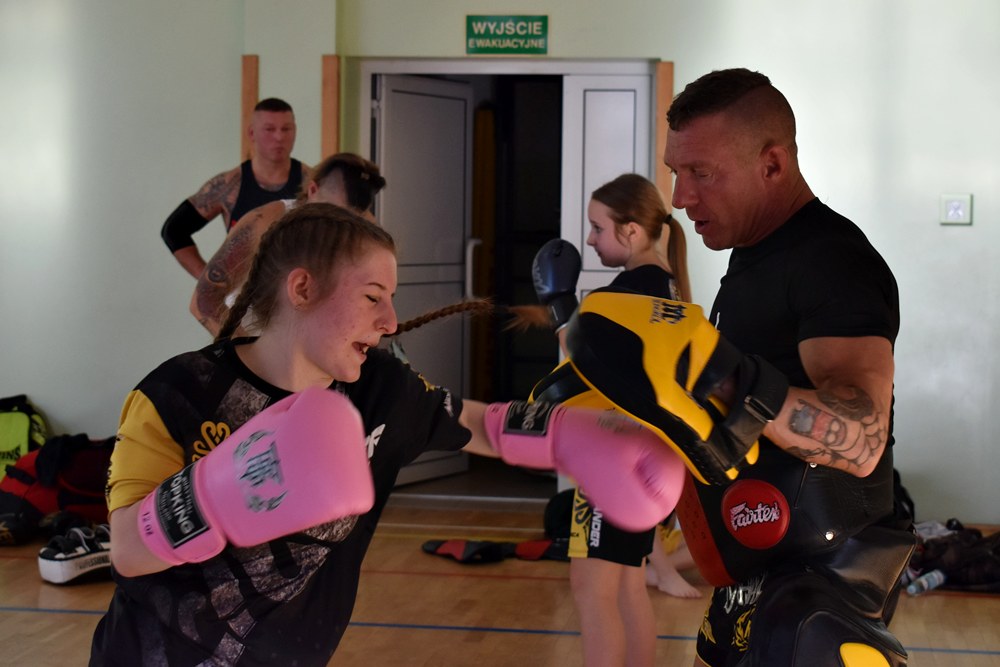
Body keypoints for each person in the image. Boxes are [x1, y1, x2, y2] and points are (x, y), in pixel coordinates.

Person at [90, 202, 686, 666]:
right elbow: (127, 551)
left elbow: (477, 424)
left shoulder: (378, 390)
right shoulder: (177, 393)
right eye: (372, 298)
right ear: (302, 289)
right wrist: (219, 492)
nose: (390, 321)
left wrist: (575, 435)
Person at [564, 68, 914, 666]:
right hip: (761, 559)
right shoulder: (754, 254)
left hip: (825, 574)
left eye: (701, 173)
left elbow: (863, 438)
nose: (680, 198)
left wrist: (724, 377)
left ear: (772, 164)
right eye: (676, 172)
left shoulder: (831, 260)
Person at [564, 174, 691, 667]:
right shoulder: (666, 285)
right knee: (628, 584)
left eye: (599, 228)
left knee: (594, 589)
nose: (591, 239)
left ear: (632, 231)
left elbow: (583, 361)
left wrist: (561, 312)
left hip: (614, 458)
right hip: (644, 455)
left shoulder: (632, 291)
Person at [190, 152, 385, 335]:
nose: (338, 230)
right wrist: (248, 354)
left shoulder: (363, 232)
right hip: (250, 341)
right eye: (331, 216)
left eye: (349, 222)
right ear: (312, 190)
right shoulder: (264, 223)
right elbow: (204, 302)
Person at [161, 97, 310, 279]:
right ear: (252, 133)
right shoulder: (228, 185)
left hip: (299, 290)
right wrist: (209, 281)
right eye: (269, 129)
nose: (279, 137)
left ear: (295, 131)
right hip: (245, 291)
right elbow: (174, 230)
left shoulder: (314, 184)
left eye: (286, 129)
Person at [644, 513, 701, 599]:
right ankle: (665, 574)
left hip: (658, 537)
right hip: (639, 540)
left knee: (712, 547)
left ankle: (653, 570)